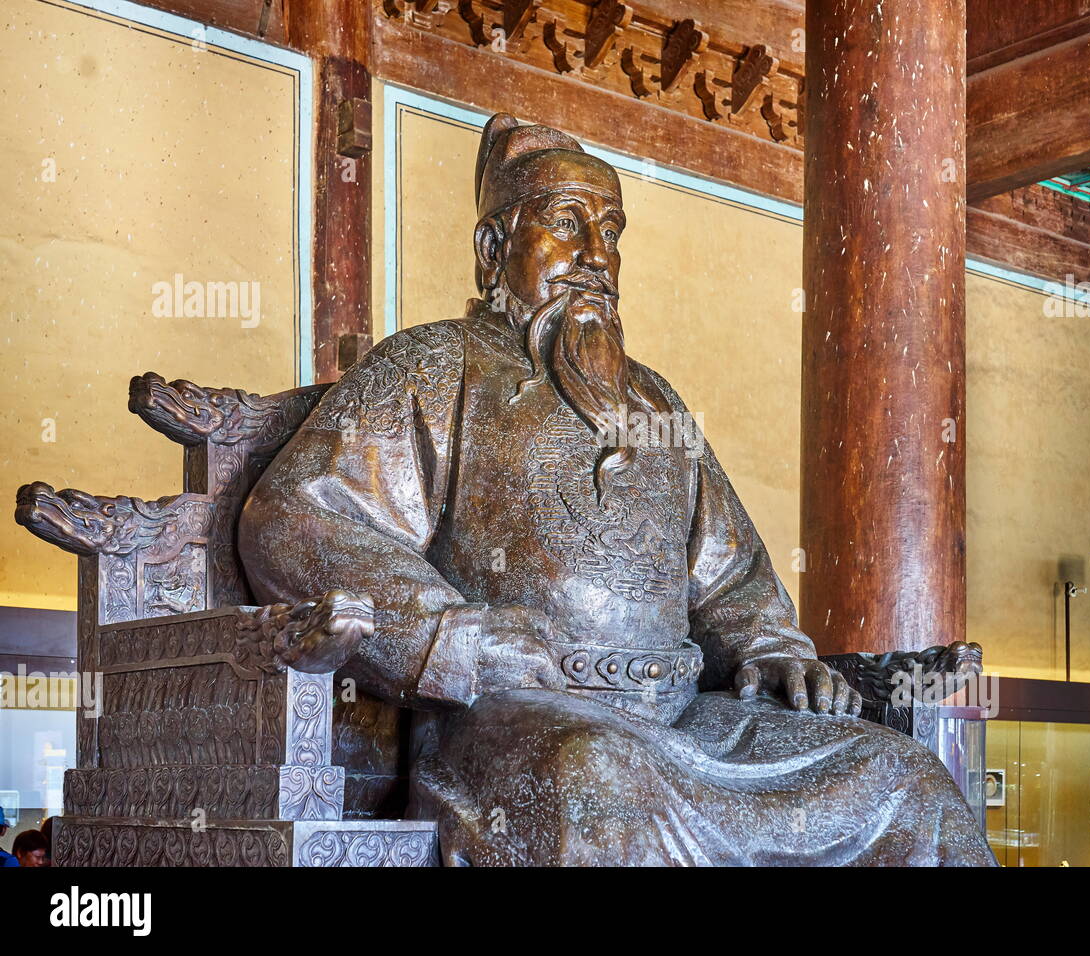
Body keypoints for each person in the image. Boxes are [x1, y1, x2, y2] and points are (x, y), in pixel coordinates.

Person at [240, 113, 994, 866]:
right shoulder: (435, 367)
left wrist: (770, 647)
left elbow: (730, 574)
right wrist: (454, 636)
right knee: (596, 778)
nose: (596, 254)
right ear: (493, 247)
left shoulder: (655, 403)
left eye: (611, 231)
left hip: (687, 719)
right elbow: (299, 517)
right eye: (568, 224)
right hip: (521, 724)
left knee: (904, 779)